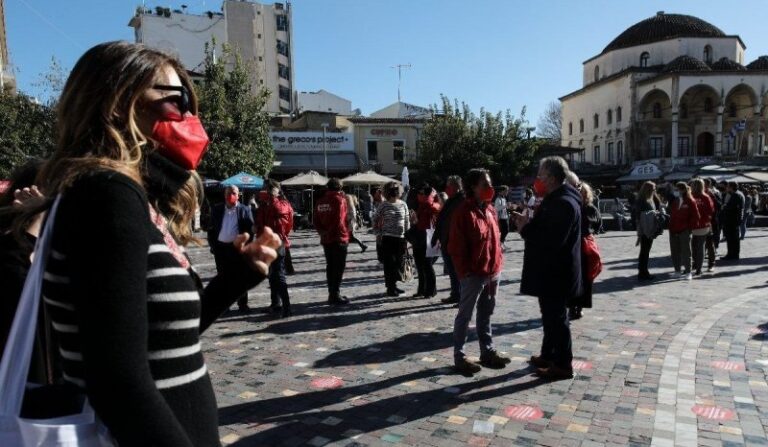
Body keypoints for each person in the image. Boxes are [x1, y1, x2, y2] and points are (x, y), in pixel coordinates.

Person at [12, 41, 279, 446]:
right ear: (120, 101)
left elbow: (162, 340)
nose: (189, 116)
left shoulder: (134, 197)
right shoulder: (106, 193)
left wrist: (234, 280)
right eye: (175, 100)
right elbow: (117, 380)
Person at [513, 156, 582, 380]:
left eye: (541, 176)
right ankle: (549, 355)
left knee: (557, 318)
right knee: (550, 316)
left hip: (556, 273)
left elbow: (552, 239)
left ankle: (562, 364)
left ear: (552, 178)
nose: (538, 180)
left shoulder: (563, 202)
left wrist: (525, 228)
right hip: (551, 271)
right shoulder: (557, 197)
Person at [448, 168, 509, 376]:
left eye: (490, 183)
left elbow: (496, 239)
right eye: (485, 184)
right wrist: (465, 273)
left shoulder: (490, 209)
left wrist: (498, 263)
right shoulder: (464, 212)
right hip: (473, 274)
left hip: (493, 272)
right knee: (465, 316)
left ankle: (487, 351)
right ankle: (460, 356)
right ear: (472, 187)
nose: (490, 188)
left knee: (486, 314)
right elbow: (455, 246)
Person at [209, 185, 256, 312]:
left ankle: (243, 304)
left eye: (234, 193)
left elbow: (250, 231)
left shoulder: (245, 210)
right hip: (221, 249)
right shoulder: (217, 209)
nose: (231, 195)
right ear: (224, 195)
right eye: (229, 193)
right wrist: (213, 246)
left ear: (238, 195)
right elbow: (211, 229)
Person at [256, 180, 294, 317]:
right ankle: (275, 303)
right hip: (266, 243)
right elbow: (259, 224)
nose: (264, 192)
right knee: (272, 275)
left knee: (279, 275)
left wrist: (273, 198)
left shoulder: (281, 204)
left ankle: (287, 307)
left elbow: (288, 223)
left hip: (278, 243)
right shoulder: (264, 206)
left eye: (266, 190)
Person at [314, 178, 351, 305]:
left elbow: (315, 220)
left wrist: (322, 232)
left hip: (326, 239)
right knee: (339, 267)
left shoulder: (320, 201)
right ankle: (335, 294)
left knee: (330, 267)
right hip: (339, 237)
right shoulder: (339, 200)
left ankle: (332, 293)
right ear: (339, 187)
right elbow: (339, 220)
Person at [569, 182, 601, 320]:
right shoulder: (569, 206)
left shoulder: (589, 208)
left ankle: (580, 306)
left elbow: (597, 223)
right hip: (571, 245)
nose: (579, 193)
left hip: (585, 245)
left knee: (586, 277)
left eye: (581, 191)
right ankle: (571, 307)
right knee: (572, 276)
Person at [433, 175, 465, 305]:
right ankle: (455, 294)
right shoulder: (451, 200)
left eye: (449, 185)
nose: (446, 188)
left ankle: (462, 297)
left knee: (459, 272)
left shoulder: (462, 200)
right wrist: (436, 237)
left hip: (456, 242)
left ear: (456, 187)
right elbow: (442, 220)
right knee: (452, 271)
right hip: (446, 240)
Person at [373, 181, 410, 297]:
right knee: (389, 264)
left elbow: (406, 221)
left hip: (400, 238)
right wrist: (378, 233)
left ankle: (394, 285)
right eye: (392, 189)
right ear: (387, 191)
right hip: (387, 238)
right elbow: (375, 219)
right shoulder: (383, 205)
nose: (394, 190)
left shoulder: (403, 204)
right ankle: (390, 288)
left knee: (399, 263)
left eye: (396, 188)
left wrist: (407, 237)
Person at [411, 183, 441, 299]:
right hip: (419, 237)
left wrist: (432, 195)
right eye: (419, 193)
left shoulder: (434, 203)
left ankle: (431, 290)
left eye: (422, 193)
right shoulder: (421, 205)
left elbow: (432, 207)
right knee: (419, 265)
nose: (419, 195)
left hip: (429, 237)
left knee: (427, 265)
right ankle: (421, 290)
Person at [668, 182, 700, 280]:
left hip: (684, 230)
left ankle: (688, 272)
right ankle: (677, 271)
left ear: (682, 190)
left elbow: (696, 216)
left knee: (686, 252)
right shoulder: (675, 201)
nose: (675, 191)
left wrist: (689, 228)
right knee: (675, 251)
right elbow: (672, 214)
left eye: (677, 189)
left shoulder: (690, 201)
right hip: (673, 230)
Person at [634, 181, 663, 281]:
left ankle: (643, 271)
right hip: (645, 228)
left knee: (645, 251)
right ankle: (643, 273)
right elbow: (638, 216)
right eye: (654, 189)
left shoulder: (649, 199)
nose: (655, 191)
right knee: (644, 251)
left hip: (649, 227)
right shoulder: (642, 200)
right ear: (649, 190)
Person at [690, 179, 715, 275]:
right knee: (702, 246)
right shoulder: (706, 197)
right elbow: (711, 211)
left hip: (696, 225)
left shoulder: (692, 196)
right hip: (704, 224)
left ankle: (698, 265)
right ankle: (699, 267)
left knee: (696, 246)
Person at [721, 181, 745, 260]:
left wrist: (724, 206)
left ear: (731, 187)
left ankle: (732, 254)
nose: (726, 188)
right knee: (734, 238)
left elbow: (732, 207)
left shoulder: (736, 195)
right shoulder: (738, 194)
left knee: (732, 238)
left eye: (728, 186)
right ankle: (733, 254)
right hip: (734, 219)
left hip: (732, 220)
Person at [705, 178, 723, 253]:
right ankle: (705, 249)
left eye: (705, 183)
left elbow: (719, 205)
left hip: (714, 217)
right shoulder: (701, 192)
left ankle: (714, 248)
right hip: (705, 217)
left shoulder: (716, 192)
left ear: (710, 184)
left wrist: (712, 196)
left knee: (715, 233)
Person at [494, 185, 510, 250]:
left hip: (505, 216)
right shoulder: (498, 199)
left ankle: (502, 243)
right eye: (506, 191)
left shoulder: (503, 198)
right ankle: (500, 243)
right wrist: (505, 205)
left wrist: (508, 207)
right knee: (505, 231)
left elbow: (504, 207)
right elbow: (496, 208)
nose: (507, 192)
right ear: (501, 191)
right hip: (501, 218)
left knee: (506, 231)